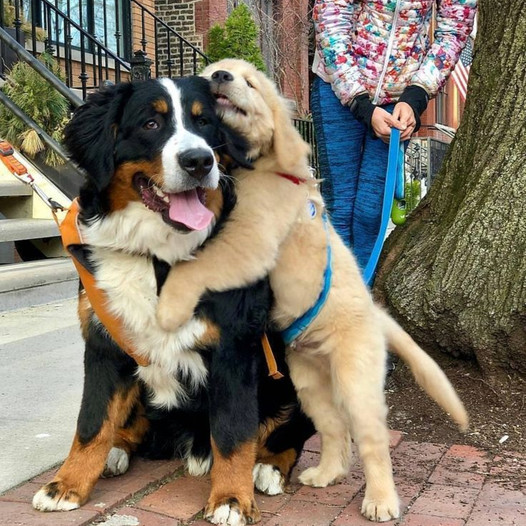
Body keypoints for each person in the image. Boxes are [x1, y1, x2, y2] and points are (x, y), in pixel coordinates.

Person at [311, 0, 477, 273]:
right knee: (339, 206)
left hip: (399, 100)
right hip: (339, 88)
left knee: (370, 211)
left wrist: (416, 96)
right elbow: (332, 19)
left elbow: (454, 30)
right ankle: (331, 296)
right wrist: (361, 104)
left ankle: (361, 295)